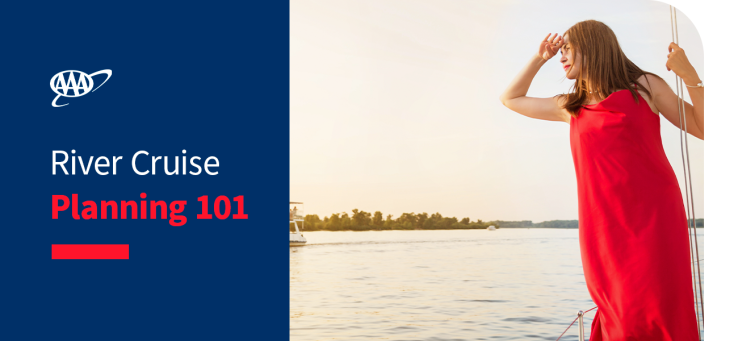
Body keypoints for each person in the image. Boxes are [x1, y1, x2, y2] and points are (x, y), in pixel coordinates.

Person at [499, 20, 702, 340]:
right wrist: (540, 58)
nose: (561, 56)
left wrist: (691, 78)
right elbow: (511, 98)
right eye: (560, 49)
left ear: (592, 47)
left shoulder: (646, 86)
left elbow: (704, 128)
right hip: (603, 226)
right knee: (619, 312)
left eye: (567, 48)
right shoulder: (571, 105)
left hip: (654, 218)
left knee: (656, 306)